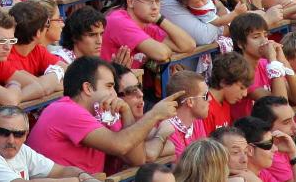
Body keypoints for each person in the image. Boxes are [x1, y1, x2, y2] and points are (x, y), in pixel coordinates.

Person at [27, 56, 182, 173]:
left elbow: (137, 159)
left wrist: (127, 113)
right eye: (109, 86)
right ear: (88, 88)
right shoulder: (65, 110)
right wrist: (154, 115)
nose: (114, 93)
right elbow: (120, 145)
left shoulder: (101, 112)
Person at [0, 105, 95, 182]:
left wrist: (84, 176)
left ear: (26, 135)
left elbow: (60, 171)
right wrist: (77, 181)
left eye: (18, 134)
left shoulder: (22, 150)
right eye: (3, 132)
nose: (11, 140)